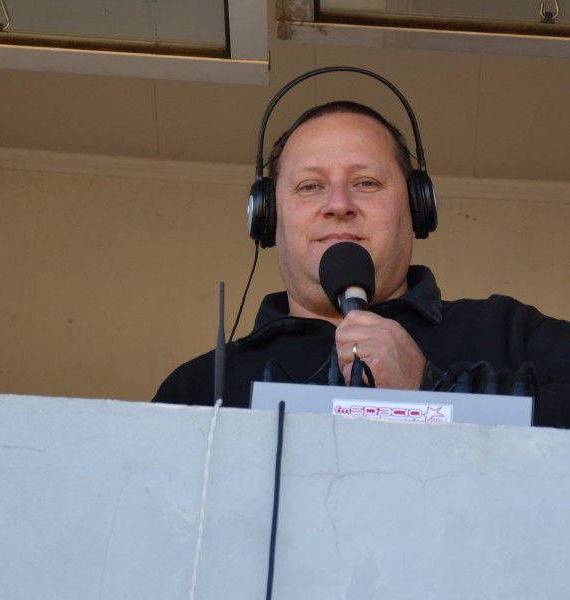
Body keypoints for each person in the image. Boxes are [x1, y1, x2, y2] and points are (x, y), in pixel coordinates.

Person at [152, 101, 570, 428]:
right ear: (267, 217)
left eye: (366, 183)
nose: (338, 205)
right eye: (310, 186)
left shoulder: (504, 330)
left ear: (417, 209)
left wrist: (431, 387)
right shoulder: (200, 385)